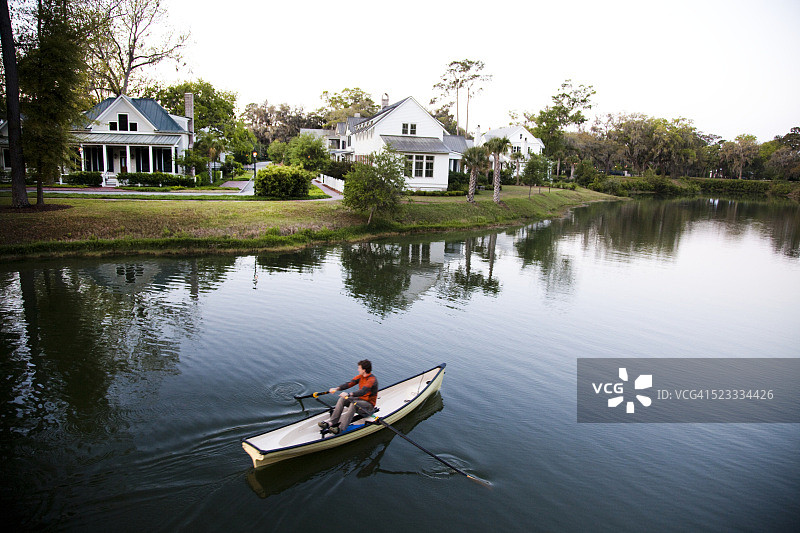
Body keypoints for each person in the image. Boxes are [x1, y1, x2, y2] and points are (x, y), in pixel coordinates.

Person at [318, 359, 378, 435]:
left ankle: (340, 429)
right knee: (342, 399)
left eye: (359, 368)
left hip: (368, 407)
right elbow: (349, 384)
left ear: (364, 370)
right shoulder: (361, 376)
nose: (357, 369)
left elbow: (363, 391)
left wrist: (349, 394)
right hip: (361, 401)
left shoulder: (372, 380)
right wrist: (336, 389)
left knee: (354, 403)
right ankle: (331, 423)